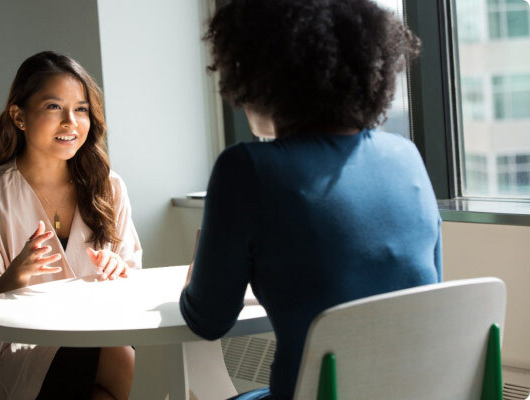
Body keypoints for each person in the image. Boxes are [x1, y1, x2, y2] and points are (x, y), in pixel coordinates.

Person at [179, 1, 440, 399]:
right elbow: (430, 294)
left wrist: (198, 273)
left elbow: (208, 320)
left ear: (258, 71)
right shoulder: (406, 157)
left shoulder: (247, 168)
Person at [0, 51, 142, 400]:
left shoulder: (108, 187)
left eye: (81, 109)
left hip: (93, 334)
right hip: (12, 351)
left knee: (109, 372)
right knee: (117, 357)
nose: (71, 122)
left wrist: (118, 270)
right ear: (19, 116)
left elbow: (134, 282)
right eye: (53, 107)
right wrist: (16, 275)